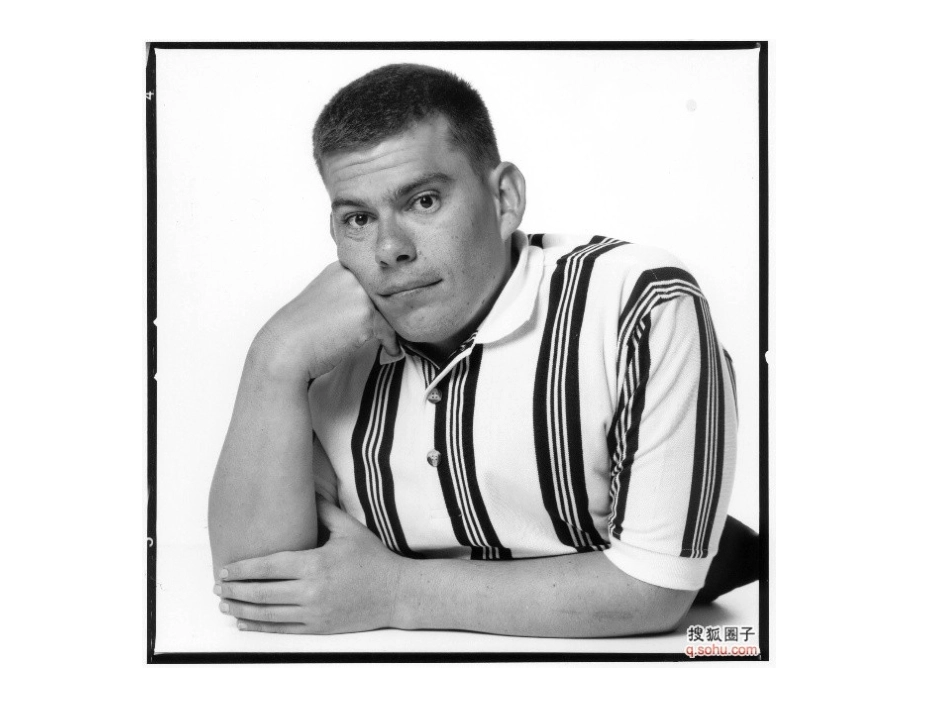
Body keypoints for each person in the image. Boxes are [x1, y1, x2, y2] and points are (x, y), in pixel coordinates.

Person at [208, 63, 757, 637]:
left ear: (504, 199)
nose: (389, 249)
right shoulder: (326, 339)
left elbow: (653, 589)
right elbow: (254, 584)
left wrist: (396, 593)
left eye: (423, 201)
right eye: (359, 218)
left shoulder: (637, 304)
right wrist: (274, 358)